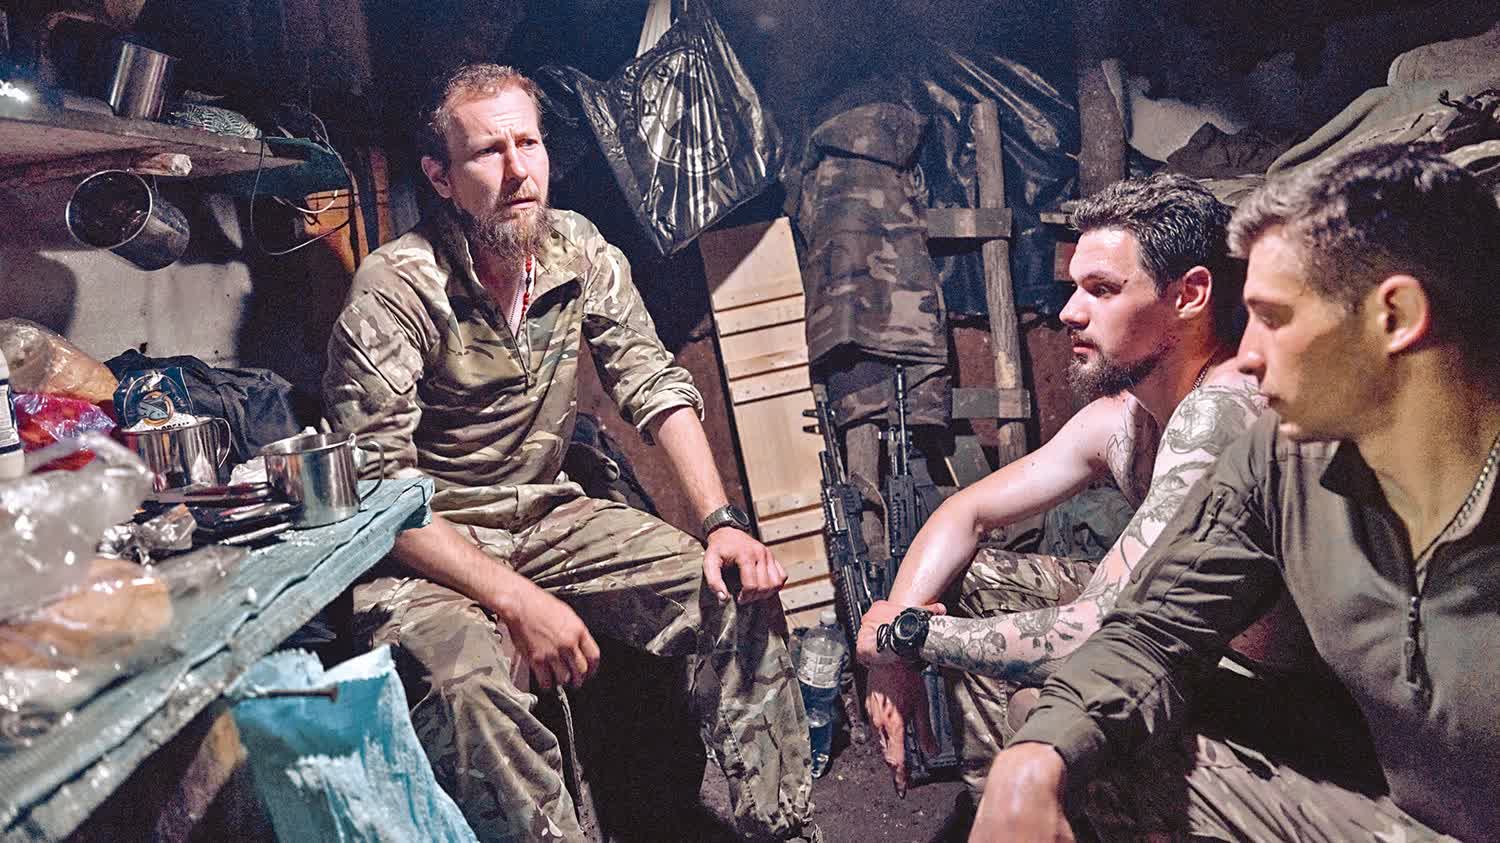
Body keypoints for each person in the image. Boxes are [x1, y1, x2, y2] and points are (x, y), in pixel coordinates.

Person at [322, 63, 816, 842]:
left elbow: (652, 381)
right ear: (441, 178)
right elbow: (380, 495)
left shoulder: (575, 247)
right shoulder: (396, 288)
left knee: (733, 592)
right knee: (467, 686)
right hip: (431, 545)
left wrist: (721, 522)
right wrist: (516, 601)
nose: (518, 170)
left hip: (546, 518)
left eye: (529, 143)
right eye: (488, 152)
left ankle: (781, 827)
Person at [972, 143, 1500, 842]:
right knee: (1060, 734)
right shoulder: (1285, 455)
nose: (1246, 355)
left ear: (1396, 317)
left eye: (1273, 317)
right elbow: (1156, 627)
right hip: (1381, 802)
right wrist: (1034, 761)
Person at [855, 173, 1283, 798]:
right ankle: (1005, 806)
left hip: (1266, 694)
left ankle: (1046, 800)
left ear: (1189, 295)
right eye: (1074, 288)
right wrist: (895, 651)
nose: (1068, 312)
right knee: (971, 576)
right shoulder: (1125, 417)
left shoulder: (1221, 413)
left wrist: (904, 638)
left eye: (1102, 290)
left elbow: (1106, 632)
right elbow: (967, 512)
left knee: (1040, 704)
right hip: (1183, 653)